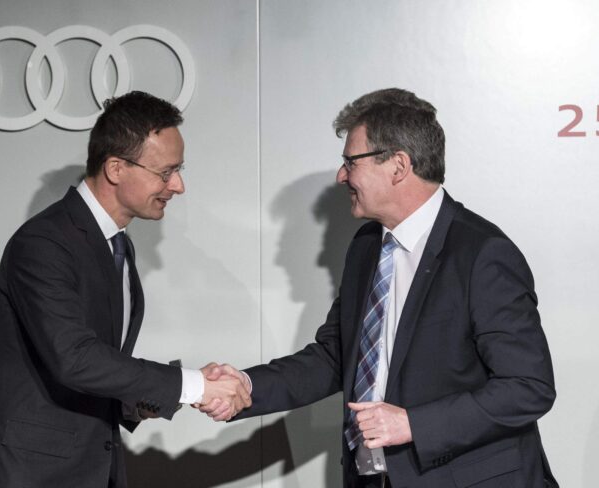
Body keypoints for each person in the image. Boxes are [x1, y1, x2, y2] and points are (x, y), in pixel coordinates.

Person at [203, 88, 558, 488]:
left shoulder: (482, 253)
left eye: (350, 162)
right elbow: (335, 358)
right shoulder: (366, 246)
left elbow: (528, 388)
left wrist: (413, 424)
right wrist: (246, 386)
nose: (341, 176)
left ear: (398, 166)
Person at [0, 91, 251, 488]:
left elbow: (95, 369)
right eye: (166, 172)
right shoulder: (43, 243)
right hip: (29, 476)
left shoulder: (118, 245)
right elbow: (75, 359)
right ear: (115, 168)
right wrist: (193, 384)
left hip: (90, 471)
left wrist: (158, 397)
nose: (178, 185)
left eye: (178, 170)